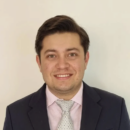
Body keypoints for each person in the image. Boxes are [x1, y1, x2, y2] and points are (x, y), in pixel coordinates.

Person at [3, 15, 130, 130]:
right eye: (52, 56)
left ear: (85, 59)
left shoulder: (115, 108)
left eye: (72, 54)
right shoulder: (15, 114)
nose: (62, 65)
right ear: (39, 62)